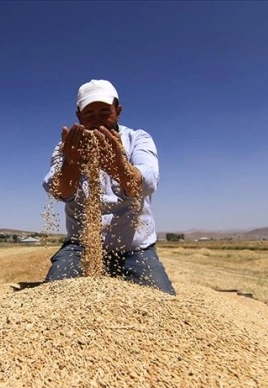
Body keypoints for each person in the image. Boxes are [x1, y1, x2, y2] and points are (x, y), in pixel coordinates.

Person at [42, 79, 176, 295]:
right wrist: (73, 164)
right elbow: (59, 190)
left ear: (118, 111)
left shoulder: (137, 139)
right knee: (55, 297)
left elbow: (148, 181)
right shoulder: (68, 146)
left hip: (134, 250)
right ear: (79, 116)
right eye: (89, 114)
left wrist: (120, 167)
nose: (97, 121)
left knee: (160, 301)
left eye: (104, 112)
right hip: (81, 247)